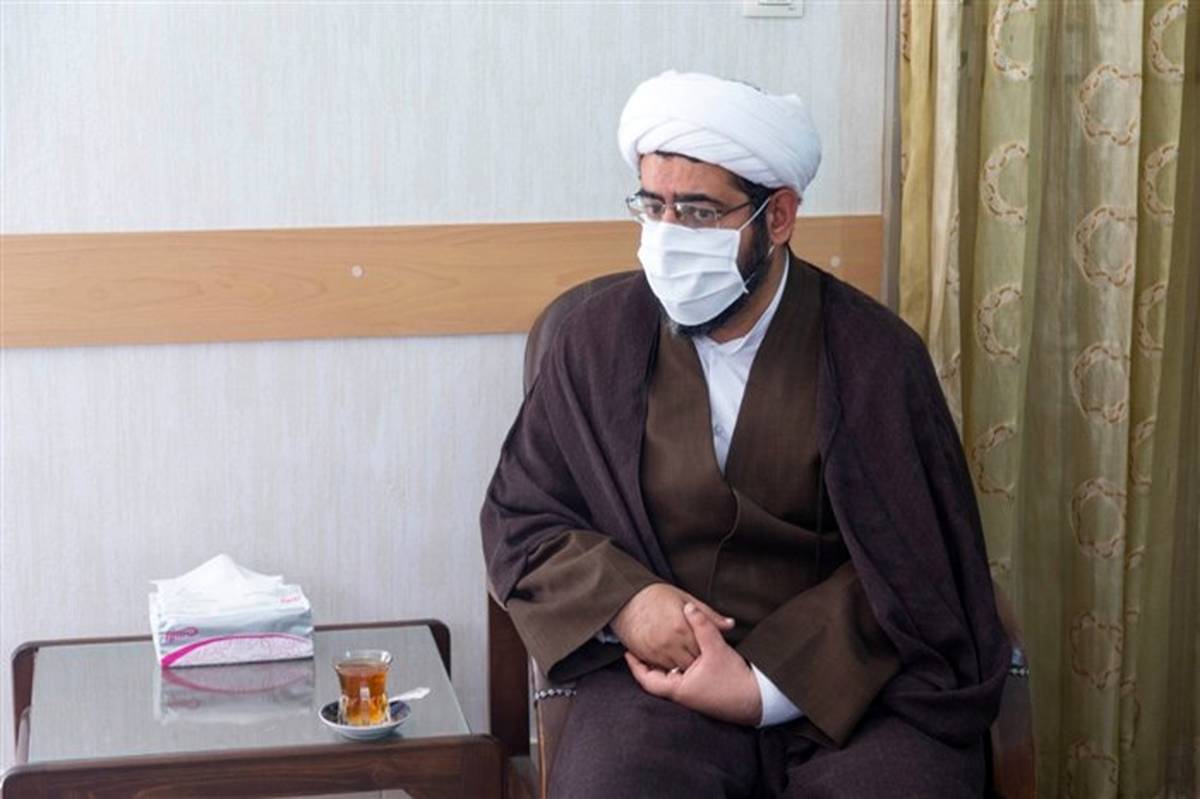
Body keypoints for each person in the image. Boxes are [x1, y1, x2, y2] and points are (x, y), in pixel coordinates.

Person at [480, 70, 1010, 797]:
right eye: (653, 206)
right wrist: (627, 604)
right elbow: (524, 516)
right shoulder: (595, 342)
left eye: (699, 212)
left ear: (778, 216)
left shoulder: (876, 358)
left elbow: (919, 567)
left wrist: (764, 685)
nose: (669, 236)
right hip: (658, 678)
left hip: (855, 680)